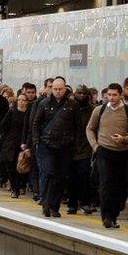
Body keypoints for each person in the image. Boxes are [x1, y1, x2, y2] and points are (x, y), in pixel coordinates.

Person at [86, 83, 128, 228]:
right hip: (104, 151)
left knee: (119, 187)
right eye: (109, 95)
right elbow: (90, 128)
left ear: (120, 95)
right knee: (106, 184)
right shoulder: (100, 110)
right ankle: (106, 217)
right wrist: (95, 146)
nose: (111, 98)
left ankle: (114, 215)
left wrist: (124, 139)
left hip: (122, 153)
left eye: (114, 95)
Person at [32, 77, 81, 217]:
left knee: (60, 177)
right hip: (46, 145)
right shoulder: (44, 104)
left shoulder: (73, 105)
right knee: (49, 173)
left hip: (65, 146)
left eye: (60, 89)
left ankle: (55, 207)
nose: (58, 92)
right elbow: (36, 123)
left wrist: (75, 143)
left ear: (65, 89)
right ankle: (46, 204)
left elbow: (78, 126)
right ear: (51, 89)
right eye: (55, 89)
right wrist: (37, 141)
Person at [21, 80, 51, 201]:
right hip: (36, 140)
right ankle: (36, 191)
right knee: (34, 166)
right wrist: (26, 143)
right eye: (49, 87)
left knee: (45, 168)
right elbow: (29, 125)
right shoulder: (37, 104)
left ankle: (43, 192)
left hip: (49, 141)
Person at [68, 85, 95, 214]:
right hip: (71, 147)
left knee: (84, 176)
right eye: (79, 93)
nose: (82, 95)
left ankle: (85, 202)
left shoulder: (92, 110)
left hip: (86, 147)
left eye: (84, 93)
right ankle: (72, 203)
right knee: (72, 177)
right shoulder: (70, 107)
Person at [0, 93, 28, 198]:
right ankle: (14, 187)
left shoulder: (28, 114)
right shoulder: (12, 112)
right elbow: (2, 126)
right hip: (11, 143)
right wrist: (6, 138)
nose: (21, 102)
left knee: (20, 166)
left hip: (23, 143)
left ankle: (18, 187)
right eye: (19, 99)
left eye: (23, 100)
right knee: (10, 166)